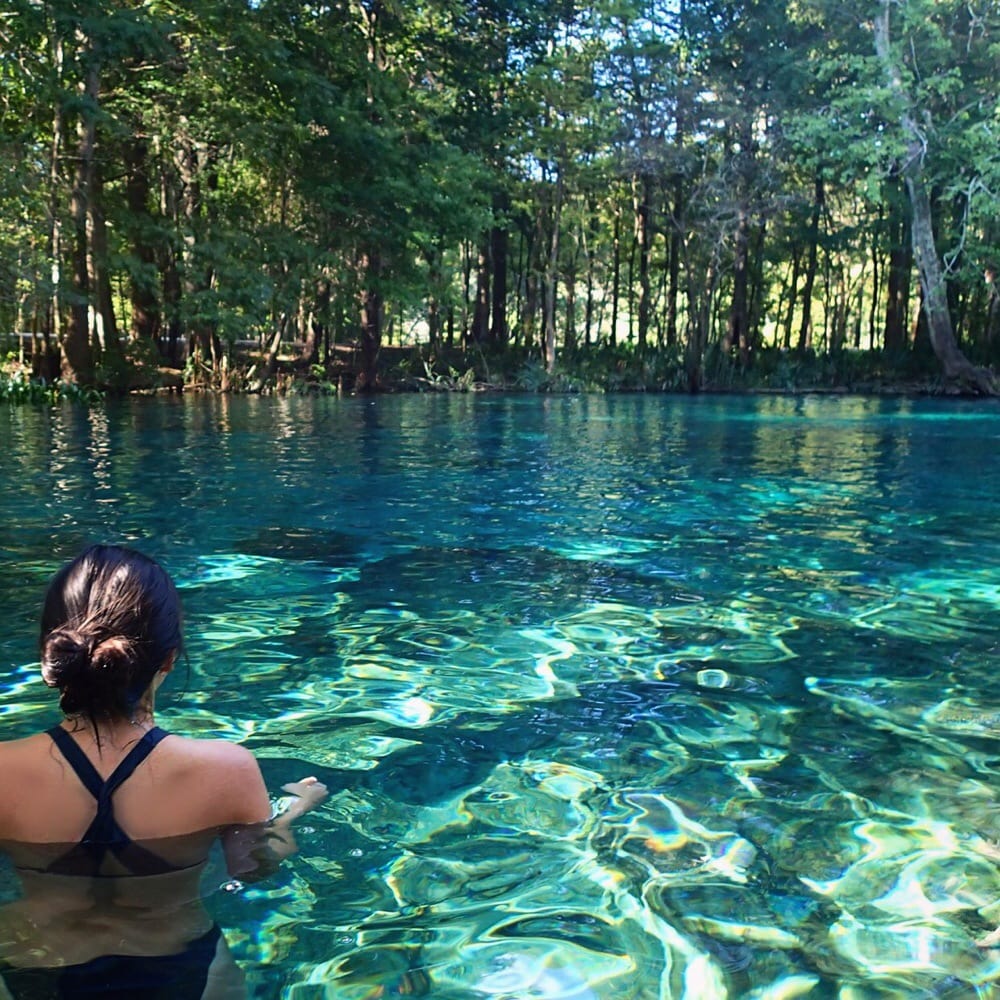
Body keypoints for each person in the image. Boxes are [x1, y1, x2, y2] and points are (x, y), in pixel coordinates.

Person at [0, 544, 328, 998]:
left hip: (34, 961)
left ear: (52, 655)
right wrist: (292, 811)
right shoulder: (226, 768)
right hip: (179, 963)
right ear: (169, 659)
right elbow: (253, 868)